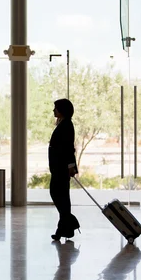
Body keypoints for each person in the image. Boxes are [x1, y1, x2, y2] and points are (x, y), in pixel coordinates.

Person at [49, 98, 80, 240]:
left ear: (62, 110)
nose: (53, 110)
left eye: (55, 108)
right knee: (61, 197)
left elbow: (68, 148)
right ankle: (66, 228)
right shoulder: (63, 124)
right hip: (58, 167)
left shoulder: (67, 125)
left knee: (58, 195)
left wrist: (71, 167)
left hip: (61, 168)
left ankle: (68, 224)